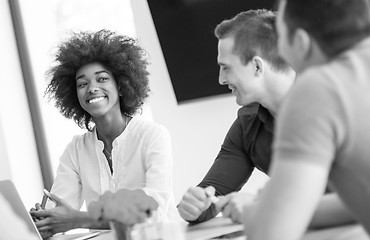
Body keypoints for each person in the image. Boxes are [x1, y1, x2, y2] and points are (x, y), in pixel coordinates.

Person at [177, 9, 355, 227]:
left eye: (226, 68)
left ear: (257, 66)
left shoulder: (340, 101)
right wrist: (194, 206)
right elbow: (212, 195)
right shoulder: (247, 125)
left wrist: (267, 208)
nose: (221, 79)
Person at [30, 29, 177, 238]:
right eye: (82, 84)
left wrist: (77, 219)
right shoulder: (76, 150)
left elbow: (153, 211)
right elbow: (59, 210)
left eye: (102, 79)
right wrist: (45, 223)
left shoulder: (152, 135)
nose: (92, 88)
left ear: (121, 85)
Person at [245, 0, 370, 239]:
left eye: (281, 38)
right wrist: (292, 208)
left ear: (301, 43)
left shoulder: (319, 88)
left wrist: (256, 213)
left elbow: (271, 234)